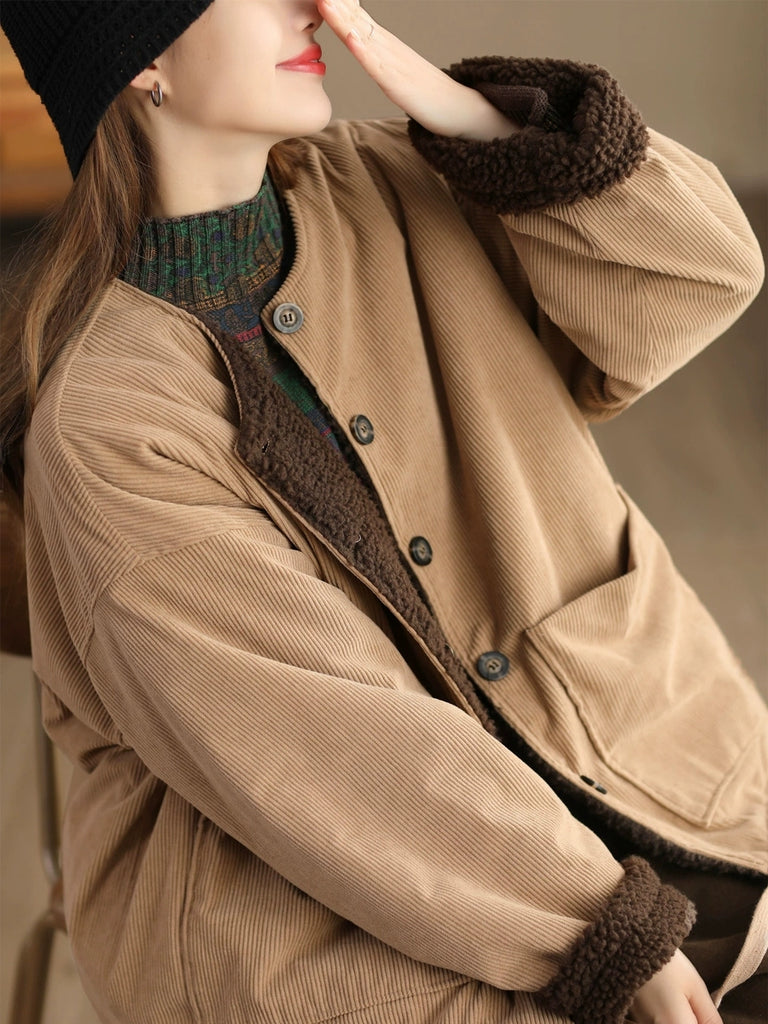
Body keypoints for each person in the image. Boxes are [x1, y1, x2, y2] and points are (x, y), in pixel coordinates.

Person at [1, 1, 765, 1022]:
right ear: (141, 58)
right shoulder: (108, 421)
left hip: (627, 772)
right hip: (313, 902)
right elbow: (322, 749)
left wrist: (486, 127)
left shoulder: (397, 182)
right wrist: (608, 934)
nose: (312, 4)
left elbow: (700, 273)